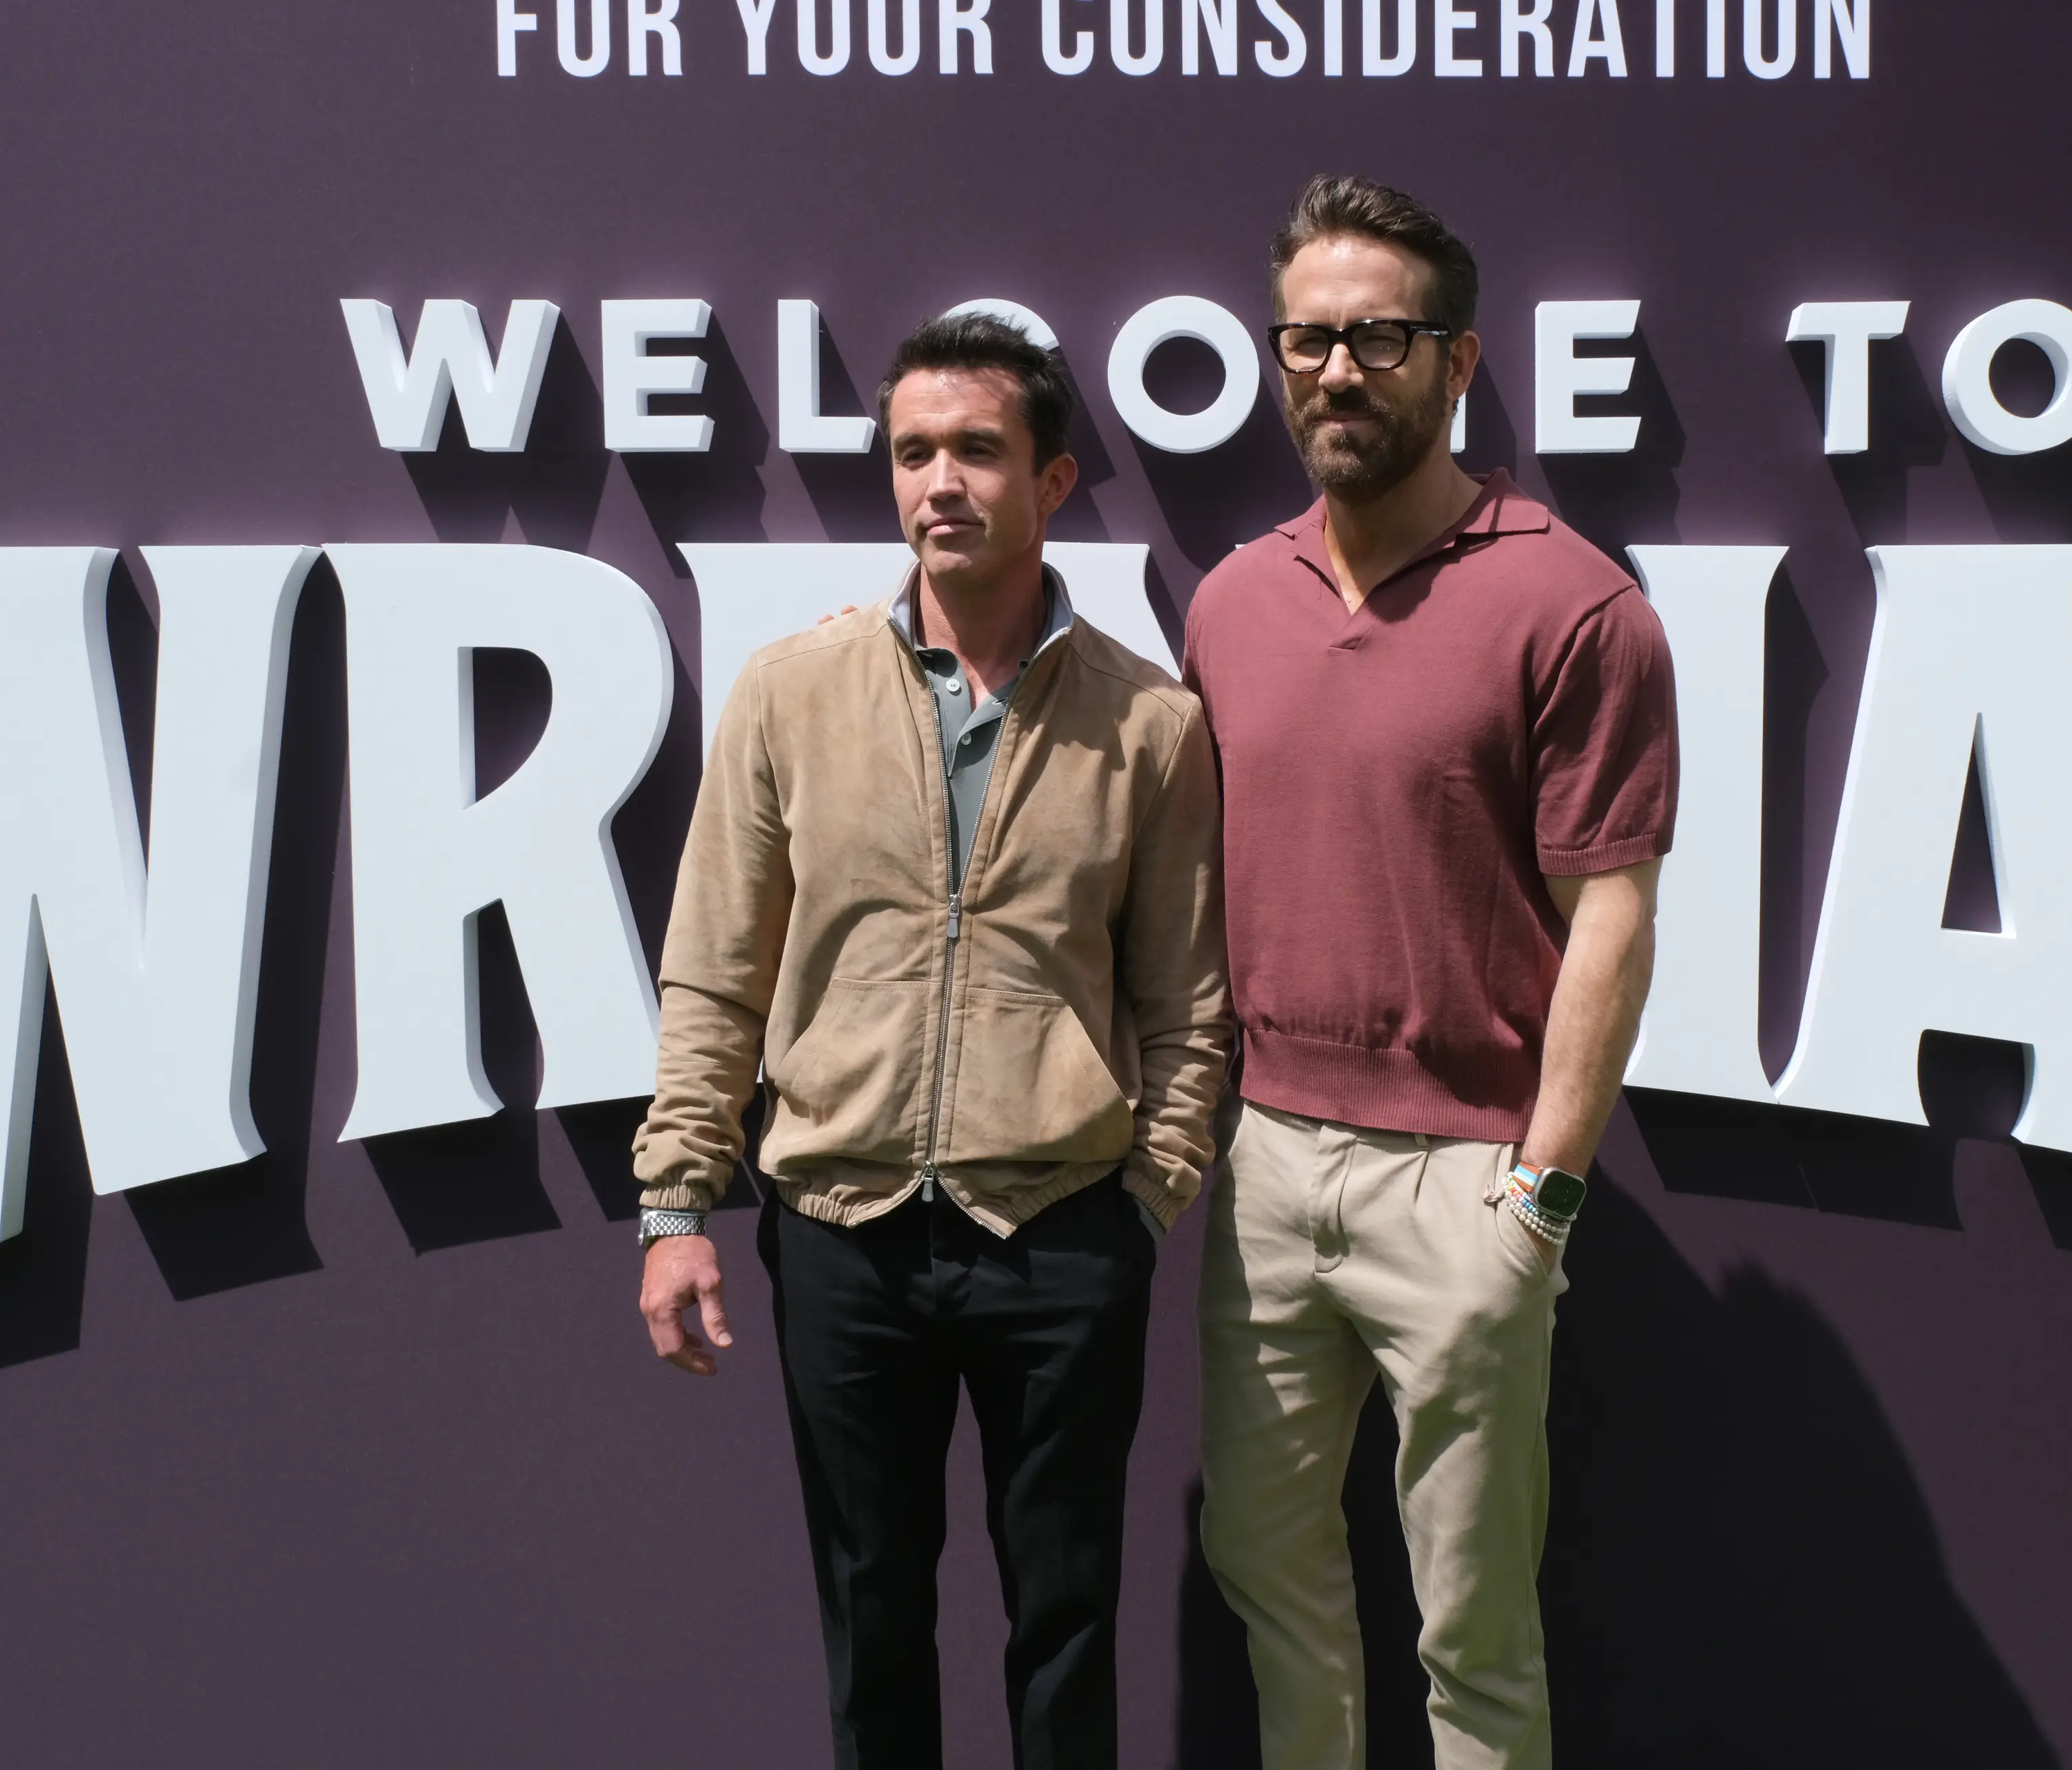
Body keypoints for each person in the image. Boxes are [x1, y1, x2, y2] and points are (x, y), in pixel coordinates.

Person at [630, 312, 1231, 1770]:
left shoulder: (1149, 724)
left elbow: (1189, 1004)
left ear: (1058, 479)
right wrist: (676, 1206)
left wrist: (1143, 1198)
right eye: (912, 452)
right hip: (841, 1226)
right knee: (872, 1609)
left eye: (976, 448)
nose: (939, 481)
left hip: (1063, 1232)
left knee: (1067, 1621)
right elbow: (717, 968)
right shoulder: (792, 690)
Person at [1183, 176, 1678, 1770]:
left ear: (1459, 362)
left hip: (1464, 1178)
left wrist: (1542, 1194)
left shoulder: (1575, 602)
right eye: (1308, 340)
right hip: (1266, 1171)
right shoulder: (1231, 600)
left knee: (1470, 1621)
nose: (1337, 372)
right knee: (1268, 1569)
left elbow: (1614, 910)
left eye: (1378, 340)